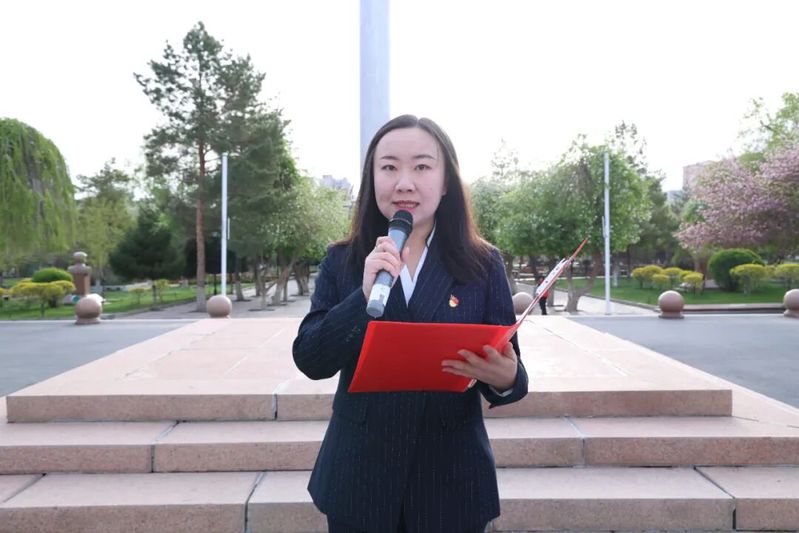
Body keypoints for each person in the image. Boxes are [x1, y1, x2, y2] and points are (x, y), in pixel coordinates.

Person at [292, 115, 529, 533]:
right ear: (372, 180)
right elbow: (311, 358)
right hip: (361, 475)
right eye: (389, 167)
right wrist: (363, 297)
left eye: (421, 166)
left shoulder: (482, 263)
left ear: (446, 181)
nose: (404, 183)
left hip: (451, 477)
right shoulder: (343, 259)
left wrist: (505, 376)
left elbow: (513, 375)